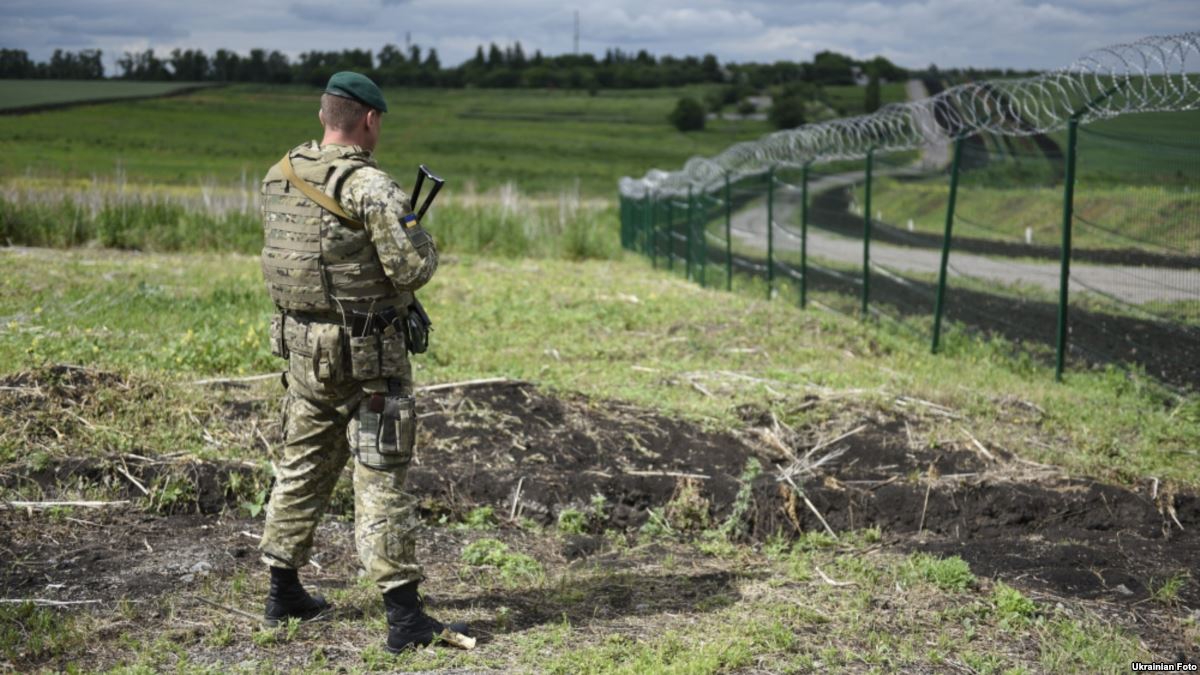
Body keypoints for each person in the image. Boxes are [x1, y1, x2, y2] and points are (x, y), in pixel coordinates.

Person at [256, 71, 469, 653]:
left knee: (302, 462)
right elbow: (412, 269)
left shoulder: (280, 174)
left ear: (324, 116)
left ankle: (283, 593)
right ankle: (404, 618)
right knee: (380, 473)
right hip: (368, 355)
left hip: (302, 349)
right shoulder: (371, 186)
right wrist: (422, 240)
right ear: (369, 120)